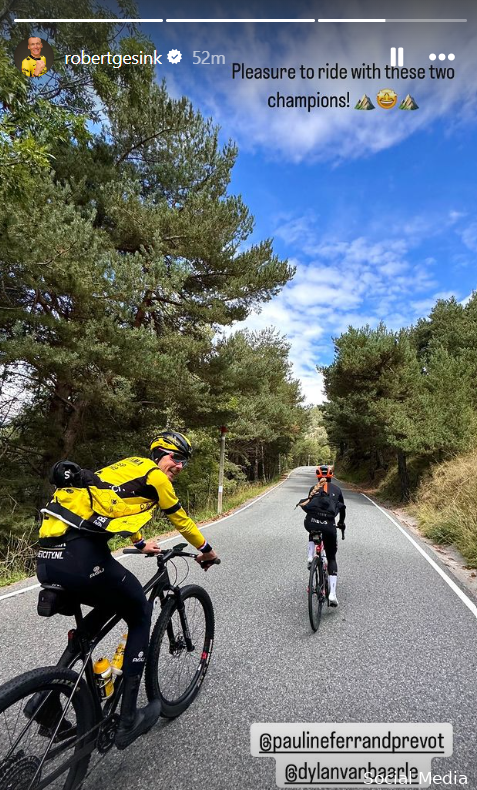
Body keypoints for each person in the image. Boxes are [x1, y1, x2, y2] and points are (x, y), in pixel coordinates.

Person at [36, 429, 218, 749]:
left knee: (108, 603)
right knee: (139, 610)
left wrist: (138, 542)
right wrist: (206, 549)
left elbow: (109, 503)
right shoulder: (155, 477)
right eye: (176, 458)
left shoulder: (127, 466)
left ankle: (44, 700)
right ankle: (128, 718)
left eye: (184, 462)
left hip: (49, 558)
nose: (179, 466)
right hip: (81, 557)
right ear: (160, 453)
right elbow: (182, 520)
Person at [296, 465, 346, 607]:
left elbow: (310, 505)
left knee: (313, 531)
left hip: (311, 523)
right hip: (329, 526)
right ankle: (332, 595)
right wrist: (341, 523)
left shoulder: (314, 488)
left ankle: (311, 557)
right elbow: (342, 508)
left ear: (318, 477)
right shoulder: (337, 490)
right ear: (332, 476)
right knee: (331, 558)